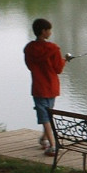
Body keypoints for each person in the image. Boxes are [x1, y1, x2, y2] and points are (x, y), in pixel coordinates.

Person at [23, 18, 68, 156]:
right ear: (44, 31)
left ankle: (44, 139)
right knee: (47, 116)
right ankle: (53, 146)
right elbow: (58, 69)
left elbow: (30, 66)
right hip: (52, 86)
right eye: (49, 30)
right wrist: (64, 60)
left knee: (45, 116)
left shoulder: (29, 48)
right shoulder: (53, 48)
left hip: (38, 87)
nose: (50, 32)